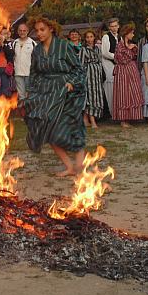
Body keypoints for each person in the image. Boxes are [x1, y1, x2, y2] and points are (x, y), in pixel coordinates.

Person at [22, 16, 86, 177]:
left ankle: (80, 167)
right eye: (36, 30)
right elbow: (34, 73)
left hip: (66, 92)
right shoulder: (36, 50)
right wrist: (30, 91)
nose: (39, 33)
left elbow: (78, 69)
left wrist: (71, 82)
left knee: (71, 127)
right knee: (47, 129)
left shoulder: (64, 46)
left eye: (42, 30)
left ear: (51, 29)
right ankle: (69, 166)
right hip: (46, 93)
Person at [112, 24, 144, 128]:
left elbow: (135, 57)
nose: (133, 35)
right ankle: (123, 119)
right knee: (123, 93)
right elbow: (121, 59)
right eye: (131, 33)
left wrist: (133, 48)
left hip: (132, 70)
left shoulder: (130, 44)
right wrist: (130, 49)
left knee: (133, 92)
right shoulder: (119, 45)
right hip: (123, 71)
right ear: (126, 33)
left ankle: (131, 117)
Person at [79, 29, 105, 128]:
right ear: (85, 39)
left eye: (91, 37)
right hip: (88, 76)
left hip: (97, 76)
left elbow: (100, 61)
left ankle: (85, 119)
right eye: (87, 37)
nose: (89, 39)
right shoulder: (83, 49)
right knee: (89, 97)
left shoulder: (97, 49)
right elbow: (80, 64)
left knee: (96, 97)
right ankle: (92, 120)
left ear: (94, 37)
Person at [99, 18, 119, 119]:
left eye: (115, 26)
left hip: (118, 65)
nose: (114, 28)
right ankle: (111, 112)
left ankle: (118, 111)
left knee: (118, 87)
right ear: (109, 27)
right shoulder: (106, 37)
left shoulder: (120, 37)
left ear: (118, 26)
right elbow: (105, 53)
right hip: (108, 64)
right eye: (112, 26)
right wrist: (117, 57)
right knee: (110, 87)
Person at [12, 22, 36, 100]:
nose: (22, 32)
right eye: (20, 30)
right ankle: (22, 111)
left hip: (29, 73)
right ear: (18, 32)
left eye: (24, 30)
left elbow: (36, 58)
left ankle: (30, 110)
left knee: (29, 95)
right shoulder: (14, 43)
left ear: (27, 31)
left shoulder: (33, 43)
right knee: (21, 96)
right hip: (18, 73)